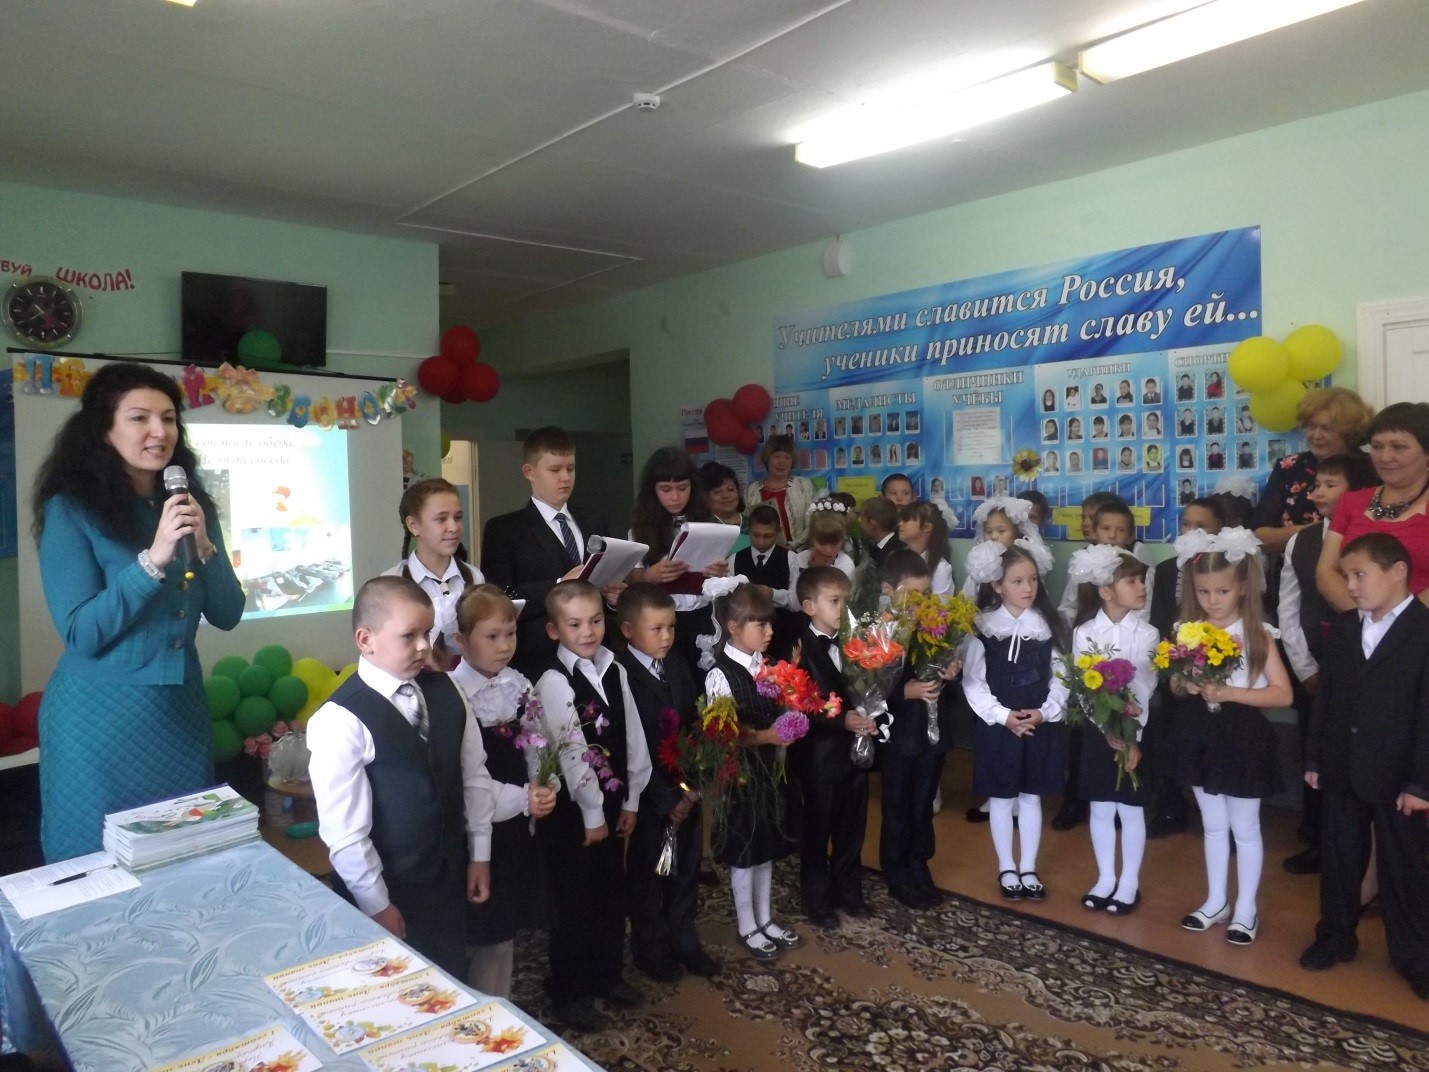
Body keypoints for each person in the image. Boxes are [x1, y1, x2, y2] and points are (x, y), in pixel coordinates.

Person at [33, 361, 245, 861]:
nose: (159, 431)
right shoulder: (72, 509)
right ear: (104, 430)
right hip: (96, 722)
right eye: (139, 418)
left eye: (168, 418)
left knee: (183, 857)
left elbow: (228, 613)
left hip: (180, 715)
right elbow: (82, 633)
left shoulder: (190, 504)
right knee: (97, 864)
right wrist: (152, 561)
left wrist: (205, 547)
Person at [308, 577, 494, 978]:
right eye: (409, 636)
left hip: (446, 881)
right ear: (366, 640)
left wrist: (480, 852)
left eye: (427, 633)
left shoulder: (448, 690)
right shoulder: (340, 719)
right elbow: (345, 832)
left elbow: (474, 777)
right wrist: (376, 903)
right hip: (388, 891)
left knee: (448, 982)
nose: (424, 646)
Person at [1301, 533, 1429, 1000]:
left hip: (1399, 774)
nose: (1350, 585)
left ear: (1397, 572)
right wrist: (1315, 757)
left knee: (1403, 865)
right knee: (1339, 858)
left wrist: (1420, 782)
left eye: (1359, 575)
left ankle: (1416, 955)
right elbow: (1327, 699)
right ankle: (1335, 936)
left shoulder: (1423, 631)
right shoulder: (1345, 628)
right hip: (1341, 765)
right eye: (1347, 576)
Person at [532, 580, 652, 1030]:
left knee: (609, 892)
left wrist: (632, 798)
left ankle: (606, 975)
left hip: (614, 799)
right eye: (575, 624)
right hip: (574, 813)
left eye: (596, 621)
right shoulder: (553, 681)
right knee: (574, 902)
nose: (588, 632)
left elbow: (633, 735)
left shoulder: (615, 669)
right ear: (553, 630)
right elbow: (572, 752)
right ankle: (570, 990)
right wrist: (592, 813)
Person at [1171, 528, 1293, 945]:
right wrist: (1186, 683)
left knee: (1245, 826)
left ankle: (1246, 908)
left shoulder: (1257, 634)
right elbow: (1175, 684)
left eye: (1221, 591)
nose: (1213, 600)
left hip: (1243, 737)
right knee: (1212, 824)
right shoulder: (1189, 631)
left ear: (1242, 587)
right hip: (1201, 734)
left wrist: (1230, 693)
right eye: (1203, 592)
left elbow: (1282, 693)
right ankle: (1216, 900)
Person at [447, 584, 557, 996]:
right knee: (484, 934)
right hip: (479, 826)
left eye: (510, 634)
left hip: (516, 824)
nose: (504, 646)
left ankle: (501, 1004)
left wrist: (543, 784)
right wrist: (519, 798)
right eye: (491, 636)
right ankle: (479, 1008)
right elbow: (467, 779)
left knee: (504, 931)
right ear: (461, 640)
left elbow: (538, 742)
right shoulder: (455, 694)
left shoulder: (518, 684)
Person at [615, 584, 720, 982]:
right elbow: (633, 746)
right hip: (649, 798)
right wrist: (667, 798)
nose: (666, 637)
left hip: (686, 791)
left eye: (671, 627)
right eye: (656, 629)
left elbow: (693, 724)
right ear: (628, 630)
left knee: (686, 868)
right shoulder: (620, 674)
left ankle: (684, 940)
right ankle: (650, 947)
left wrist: (691, 789)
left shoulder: (677, 665)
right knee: (649, 875)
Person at [1278, 453, 1376, 875]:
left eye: (1330, 485)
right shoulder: (1302, 541)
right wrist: (1305, 669)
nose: (1317, 493)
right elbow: (1288, 609)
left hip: (1370, 670)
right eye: (1316, 484)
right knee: (1316, 754)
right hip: (1316, 668)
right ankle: (1319, 840)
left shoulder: (1374, 539)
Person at [962, 539, 1068, 901]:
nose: (1028, 588)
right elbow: (974, 682)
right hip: (999, 726)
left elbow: (1062, 676)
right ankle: (1007, 866)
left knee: (1031, 798)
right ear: (997, 585)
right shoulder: (982, 627)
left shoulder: (1048, 625)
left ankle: (1029, 867)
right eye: (1018, 581)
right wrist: (1003, 716)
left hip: (1038, 724)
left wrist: (1045, 712)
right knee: (1002, 798)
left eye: (1033, 580)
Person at [704, 584, 800, 959]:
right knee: (746, 851)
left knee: (766, 848)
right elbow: (722, 736)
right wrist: (767, 736)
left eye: (770, 624)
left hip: (770, 772)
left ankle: (765, 917)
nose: (770, 632)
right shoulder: (720, 675)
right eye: (760, 624)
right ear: (733, 627)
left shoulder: (768, 666)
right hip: (741, 778)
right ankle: (747, 925)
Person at [481, 426, 614, 678]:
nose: (565, 477)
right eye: (554, 470)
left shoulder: (594, 521)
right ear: (529, 472)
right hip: (539, 658)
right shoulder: (504, 529)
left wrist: (614, 597)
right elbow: (500, 599)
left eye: (570, 469)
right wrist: (560, 583)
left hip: (597, 656)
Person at [1067, 546, 1157, 914]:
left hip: (1134, 731)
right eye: (1131, 581)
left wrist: (1131, 736)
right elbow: (1083, 686)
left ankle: (1129, 882)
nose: (1141, 587)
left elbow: (1144, 687)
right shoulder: (1084, 632)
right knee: (1102, 807)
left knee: (1131, 809)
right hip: (1099, 732)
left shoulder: (1148, 633)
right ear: (1105, 590)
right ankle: (1106, 877)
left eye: (1141, 579)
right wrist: (1105, 727)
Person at [792, 566, 877, 926]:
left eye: (847, 601)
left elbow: (873, 687)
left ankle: (849, 892)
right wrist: (841, 721)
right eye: (835, 601)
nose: (843, 608)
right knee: (818, 829)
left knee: (852, 828)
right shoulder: (798, 649)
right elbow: (798, 707)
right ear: (810, 607)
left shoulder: (857, 643)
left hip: (855, 754)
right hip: (819, 758)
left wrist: (874, 710)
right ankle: (818, 900)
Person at [877, 551, 958, 908]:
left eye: (926, 594)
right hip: (899, 736)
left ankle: (918, 863)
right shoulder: (878, 629)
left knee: (923, 803)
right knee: (898, 805)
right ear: (888, 590)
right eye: (912, 595)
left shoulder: (934, 624)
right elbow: (867, 687)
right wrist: (903, 692)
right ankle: (896, 871)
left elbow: (942, 672)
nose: (921, 603)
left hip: (931, 732)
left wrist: (950, 670)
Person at [1144, 497, 1226, 839]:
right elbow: (1159, 619)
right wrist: (1172, 662)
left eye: (1202, 526)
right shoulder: (1167, 570)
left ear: (1220, 530)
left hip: (1221, 668)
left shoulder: (1232, 566)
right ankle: (1171, 808)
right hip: (1177, 669)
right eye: (1187, 525)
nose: (1192, 531)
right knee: (1173, 740)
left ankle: (1223, 820)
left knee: (1218, 743)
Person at [1317, 402, 1429, 611]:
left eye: (1398, 447)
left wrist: (1401, 624)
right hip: (1354, 623)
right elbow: (1326, 572)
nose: (1385, 457)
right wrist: (1365, 622)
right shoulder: (1350, 502)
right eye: (1377, 447)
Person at [629, 447, 729, 673]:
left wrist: (721, 572)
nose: (675, 497)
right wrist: (649, 576)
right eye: (666, 489)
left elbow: (722, 576)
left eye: (682, 488)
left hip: (702, 615)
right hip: (661, 619)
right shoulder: (640, 529)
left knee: (704, 676)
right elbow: (630, 580)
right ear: (652, 490)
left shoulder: (709, 522)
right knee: (670, 676)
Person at [1253, 387, 1375, 554]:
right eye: (1311, 426)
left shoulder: (1371, 468)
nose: (1316, 435)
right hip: (1293, 565)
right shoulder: (1289, 466)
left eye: (1326, 428)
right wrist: (1320, 530)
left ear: (1349, 432)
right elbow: (1259, 536)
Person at [385, 477, 484, 669]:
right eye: (441, 519)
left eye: (458, 517)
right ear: (413, 525)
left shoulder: (474, 577)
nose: (453, 527)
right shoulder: (392, 582)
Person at [745, 434, 816, 546]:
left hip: (798, 552)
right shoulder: (751, 490)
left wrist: (792, 547)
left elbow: (813, 522)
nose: (781, 462)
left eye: (787, 457)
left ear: (792, 461)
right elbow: (746, 526)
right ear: (767, 458)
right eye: (776, 456)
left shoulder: (804, 485)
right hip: (762, 552)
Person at [897, 501, 954, 594]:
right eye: (901, 519)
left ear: (926, 527)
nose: (900, 524)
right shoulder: (899, 558)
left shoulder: (940, 568)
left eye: (906, 519)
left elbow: (939, 603)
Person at [700, 461, 748, 554]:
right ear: (705, 497)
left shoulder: (754, 523)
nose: (726, 495)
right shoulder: (702, 528)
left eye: (731, 490)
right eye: (717, 491)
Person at [859, 495, 905, 568]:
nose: (860, 524)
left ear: (872, 523)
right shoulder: (876, 548)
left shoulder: (893, 555)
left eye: (862, 520)